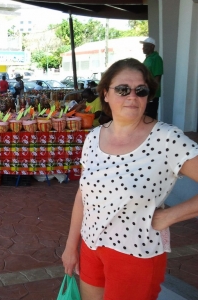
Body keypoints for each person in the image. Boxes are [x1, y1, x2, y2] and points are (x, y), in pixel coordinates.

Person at [61, 58, 198, 300]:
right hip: (92, 248)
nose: (132, 96)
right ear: (105, 94)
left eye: (141, 90)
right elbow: (84, 194)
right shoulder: (93, 137)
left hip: (137, 254)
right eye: (123, 89)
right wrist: (72, 246)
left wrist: (169, 216)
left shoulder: (167, 139)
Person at [140, 37, 163, 119]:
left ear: (152, 47)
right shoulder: (148, 58)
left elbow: (157, 77)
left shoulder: (156, 58)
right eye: (143, 46)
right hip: (145, 92)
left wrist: (152, 92)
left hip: (152, 93)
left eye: (145, 46)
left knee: (150, 116)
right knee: (144, 115)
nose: (143, 48)